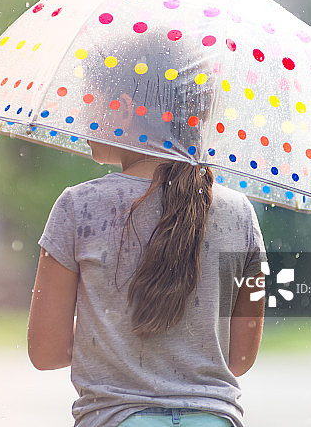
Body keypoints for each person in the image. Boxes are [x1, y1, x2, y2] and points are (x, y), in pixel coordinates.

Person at [27, 139, 266, 427]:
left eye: (95, 103)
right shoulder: (241, 213)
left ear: (127, 109)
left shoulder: (79, 207)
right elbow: (240, 357)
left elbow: (46, 350)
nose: (88, 116)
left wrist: (107, 325)